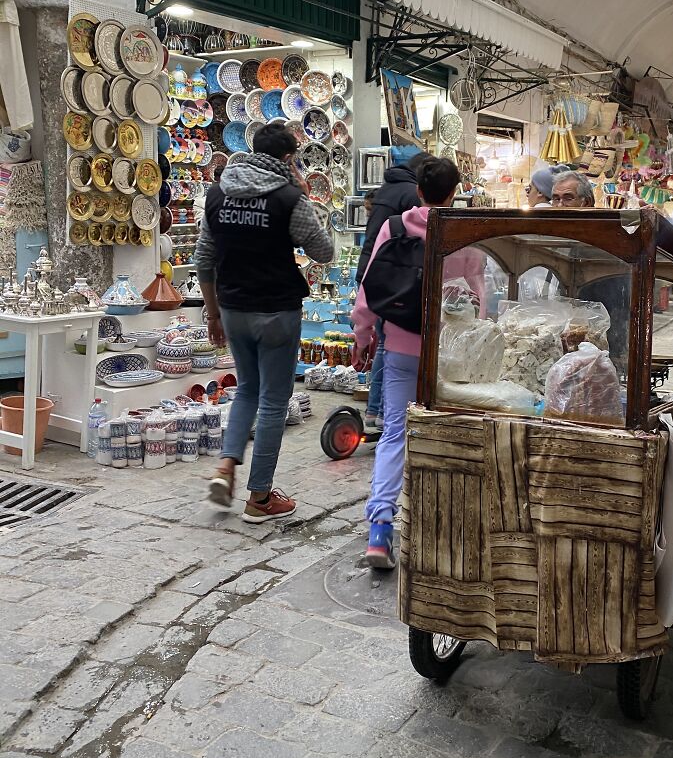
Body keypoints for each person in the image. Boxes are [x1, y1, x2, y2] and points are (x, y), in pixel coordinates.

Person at [195, 124, 333, 523]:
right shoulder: (288, 198)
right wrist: (307, 199)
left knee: (246, 391)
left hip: (233, 309)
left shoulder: (218, 194)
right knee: (274, 400)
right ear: (288, 159)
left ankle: (226, 467)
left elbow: (205, 259)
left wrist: (213, 313)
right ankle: (260, 497)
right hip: (276, 310)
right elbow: (322, 251)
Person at [353, 157, 482, 568]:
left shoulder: (393, 228)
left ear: (419, 191)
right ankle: (443, 527)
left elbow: (370, 289)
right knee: (447, 437)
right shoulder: (465, 237)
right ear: (454, 191)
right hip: (449, 356)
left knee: (395, 434)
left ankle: (380, 530)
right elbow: (477, 303)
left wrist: (363, 336)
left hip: (402, 350)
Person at [356, 151, 432, 430]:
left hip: (376, 271)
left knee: (384, 343)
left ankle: (377, 410)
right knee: (388, 344)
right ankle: (383, 411)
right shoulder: (413, 197)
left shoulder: (389, 187)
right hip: (395, 278)